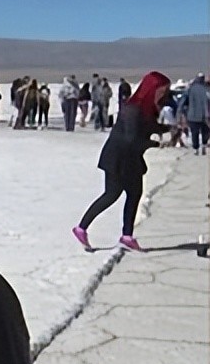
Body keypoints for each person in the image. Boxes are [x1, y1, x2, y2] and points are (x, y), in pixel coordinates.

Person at [73, 71, 171, 252]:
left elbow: (149, 126)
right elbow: (131, 139)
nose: (163, 94)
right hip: (119, 158)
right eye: (161, 90)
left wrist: (168, 128)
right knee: (113, 194)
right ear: (151, 89)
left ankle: (123, 236)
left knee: (131, 193)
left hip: (128, 159)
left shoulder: (144, 108)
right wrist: (156, 143)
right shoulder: (132, 109)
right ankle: (84, 228)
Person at [177, 72, 209, 155]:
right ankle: (204, 145)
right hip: (206, 115)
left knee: (195, 132)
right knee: (205, 131)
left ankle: (196, 148)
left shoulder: (189, 89)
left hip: (192, 115)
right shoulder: (206, 89)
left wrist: (180, 113)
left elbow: (182, 102)